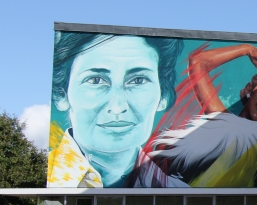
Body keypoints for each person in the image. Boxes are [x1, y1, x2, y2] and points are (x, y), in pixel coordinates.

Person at [137, 46, 257, 189]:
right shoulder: (231, 125)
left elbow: (198, 62)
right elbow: (197, 62)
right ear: (249, 89)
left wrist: (247, 49)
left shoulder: (248, 137)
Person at [47, 32, 182, 188]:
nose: (118, 107)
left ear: (163, 95)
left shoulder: (179, 192)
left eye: (138, 80)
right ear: (61, 95)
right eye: (96, 80)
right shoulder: (40, 178)